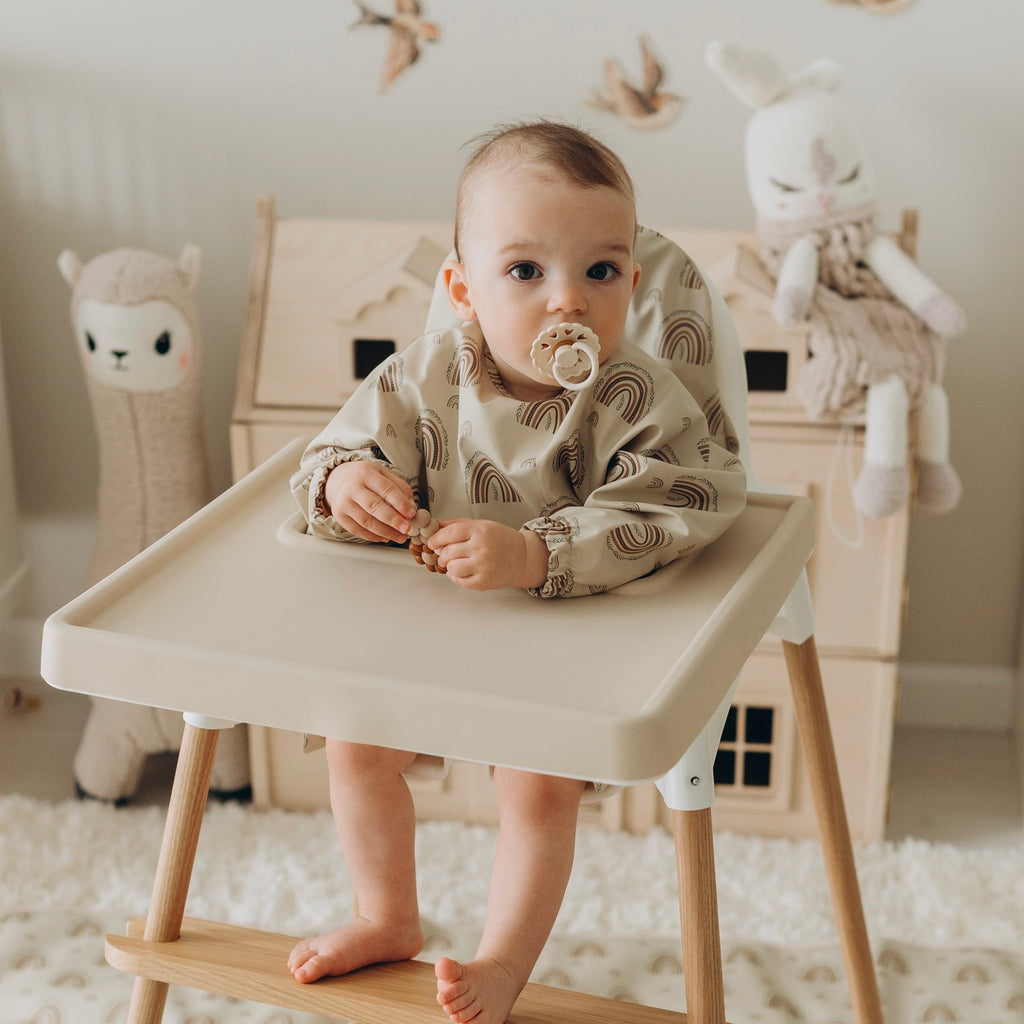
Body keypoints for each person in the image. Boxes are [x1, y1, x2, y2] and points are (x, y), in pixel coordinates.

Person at [287, 120, 746, 1024]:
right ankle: (385, 916)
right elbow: (328, 454)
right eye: (527, 272)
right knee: (356, 742)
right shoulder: (422, 379)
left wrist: (540, 552)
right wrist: (349, 485)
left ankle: (500, 965)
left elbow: (685, 504)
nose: (566, 302)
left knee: (537, 786)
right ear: (463, 289)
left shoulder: (641, 398)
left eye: (600, 272)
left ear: (633, 284)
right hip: (430, 626)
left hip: (568, 644)